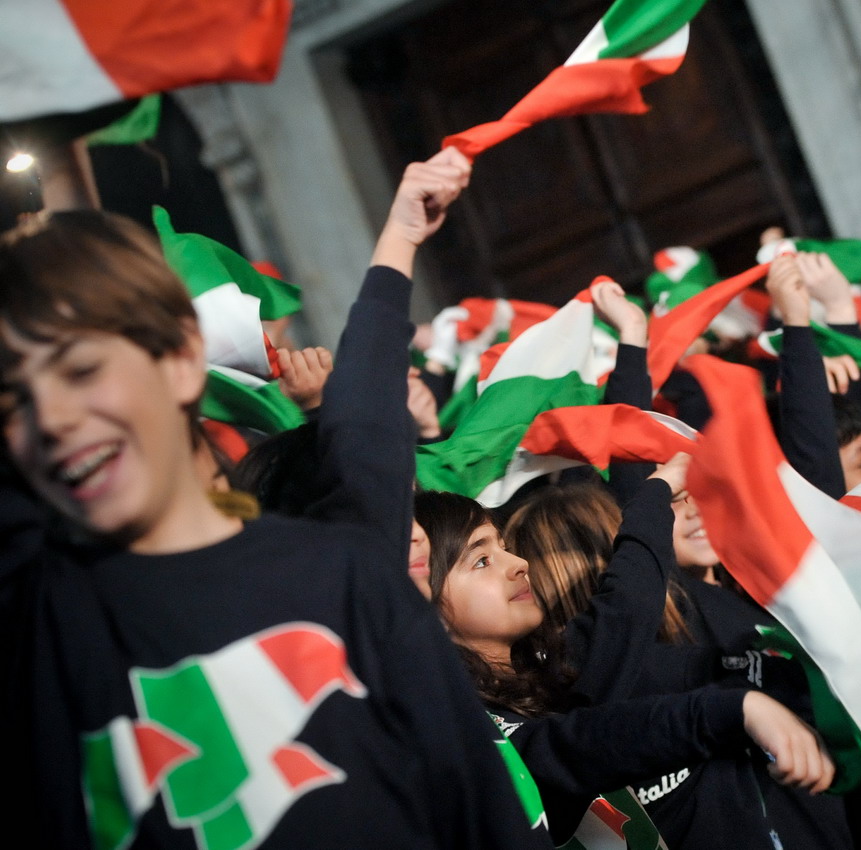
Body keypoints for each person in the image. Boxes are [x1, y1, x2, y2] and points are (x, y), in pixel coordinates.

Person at [0, 151, 549, 849]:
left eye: (81, 371)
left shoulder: (341, 577)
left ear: (180, 362)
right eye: (11, 400)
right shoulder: (36, 626)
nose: (52, 418)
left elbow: (364, 432)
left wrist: (399, 241)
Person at [412, 483, 836, 846]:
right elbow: (570, 746)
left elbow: (634, 622)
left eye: (504, 547)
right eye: (481, 560)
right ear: (419, 599)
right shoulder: (467, 732)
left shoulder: (550, 666)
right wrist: (729, 710)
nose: (519, 564)